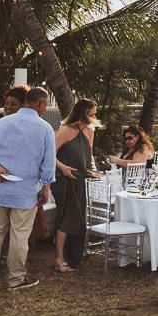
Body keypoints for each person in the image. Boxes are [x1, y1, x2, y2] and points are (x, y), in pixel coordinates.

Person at [0, 86, 55, 290]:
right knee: (20, 235)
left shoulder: (0, 124)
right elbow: (48, 163)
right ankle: (15, 279)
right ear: (40, 103)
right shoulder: (45, 128)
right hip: (25, 191)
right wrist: (46, 187)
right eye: (46, 104)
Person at [52, 98, 102, 273]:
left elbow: (90, 155)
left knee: (79, 217)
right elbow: (49, 153)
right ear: (82, 114)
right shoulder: (66, 130)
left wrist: (92, 169)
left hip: (81, 179)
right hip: (64, 179)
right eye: (92, 114)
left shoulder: (90, 130)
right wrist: (63, 168)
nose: (94, 117)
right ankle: (59, 260)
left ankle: (74, 256)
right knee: (67, 217)